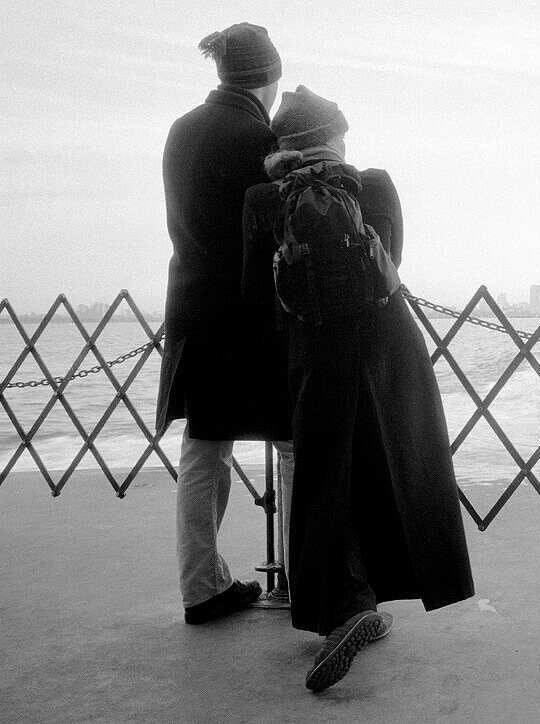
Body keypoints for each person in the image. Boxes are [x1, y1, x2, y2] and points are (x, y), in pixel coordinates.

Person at [242, 86, 475, 692]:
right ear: (334, 136)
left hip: (314, 353)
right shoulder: (374, 185)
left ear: (284, 146)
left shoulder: (263, 199)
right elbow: (392, 257)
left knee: (323, 477)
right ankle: (377, 598)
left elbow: (254, 299)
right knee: (389, 466)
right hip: (388, 349)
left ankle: (343, 609)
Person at [157, 22, 294, 625]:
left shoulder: (181, 130)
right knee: (293, 446)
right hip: (252, 317)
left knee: (203, 450)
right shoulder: (260, 137)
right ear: (268, 74)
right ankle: (301, 579)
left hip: (192, 307)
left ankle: (201, 589)